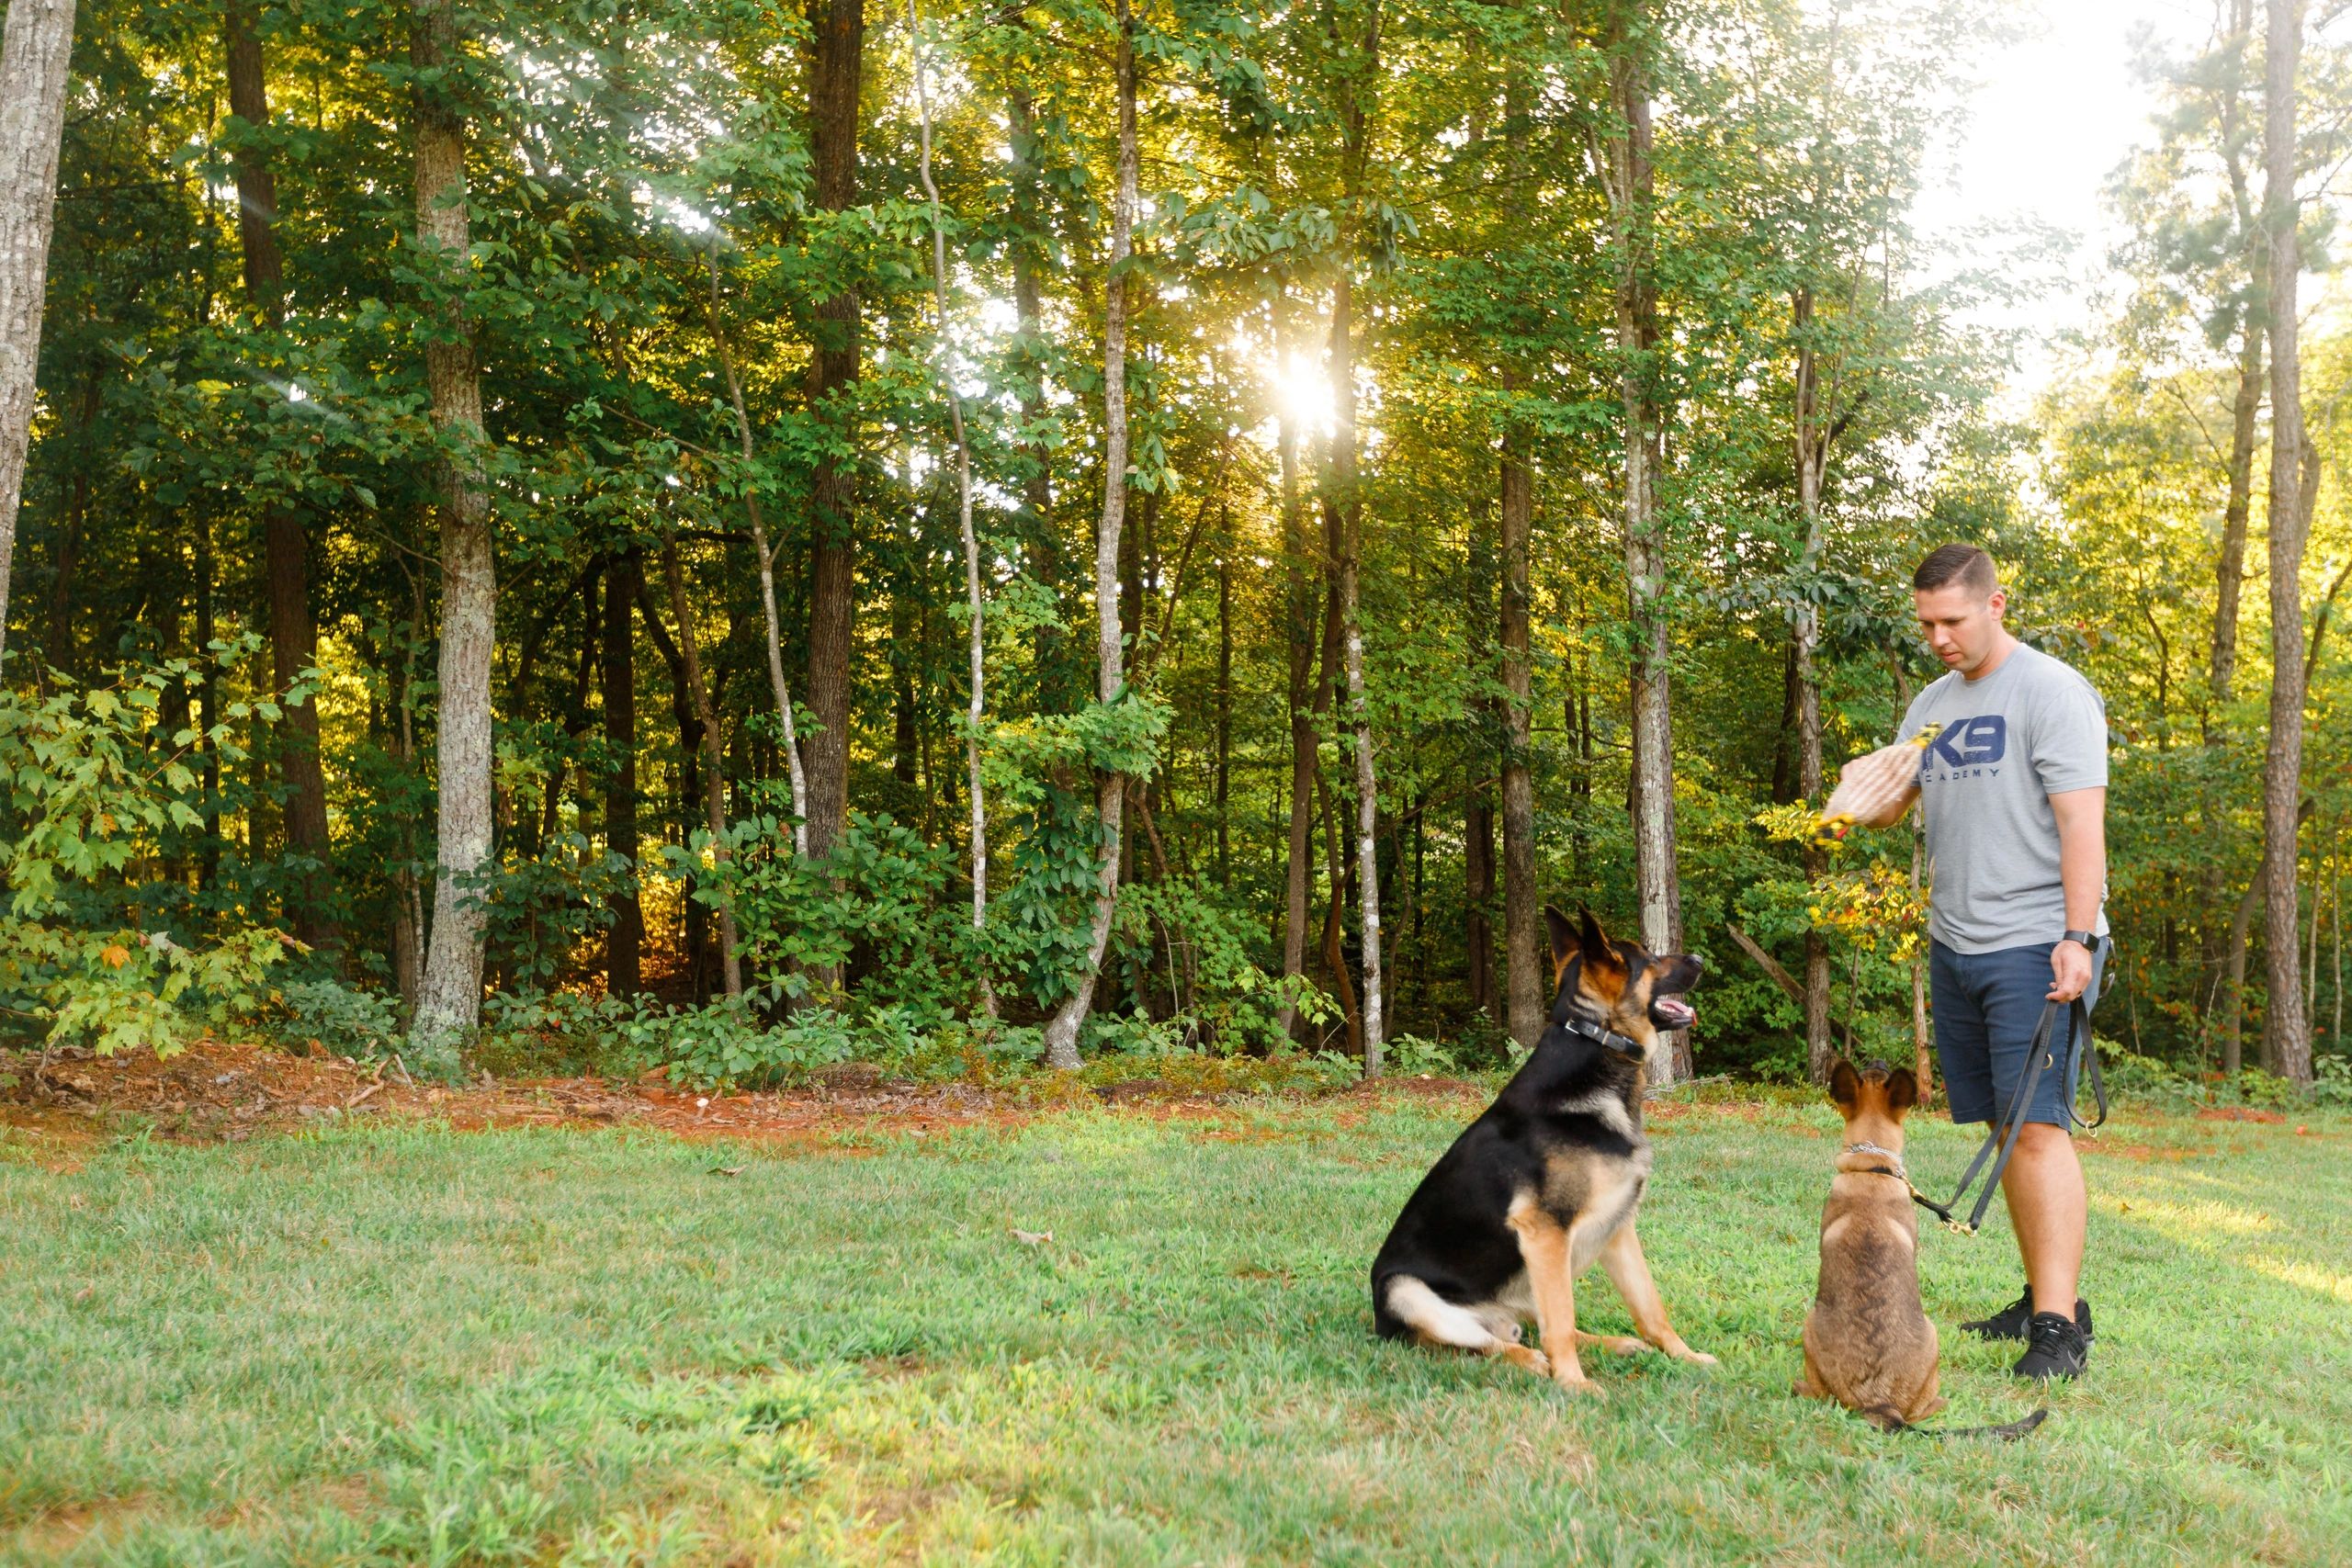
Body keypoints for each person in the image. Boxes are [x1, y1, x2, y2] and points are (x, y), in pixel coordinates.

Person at [1845, 543, 2109, 1381]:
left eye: (1951, 621)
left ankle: (2060, 1330)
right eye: (1925, 623)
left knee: (2037, 1130)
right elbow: (1894, 805)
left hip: (2036, 938)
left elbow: (2081, 825)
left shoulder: (2052, 692)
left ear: (1996, 606)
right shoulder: (1931, 703)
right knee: (2002, 1124)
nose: (1938, 639)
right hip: (1957, 941)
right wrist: (1855, 803)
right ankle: (2042, 1294)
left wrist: (2077, 936)